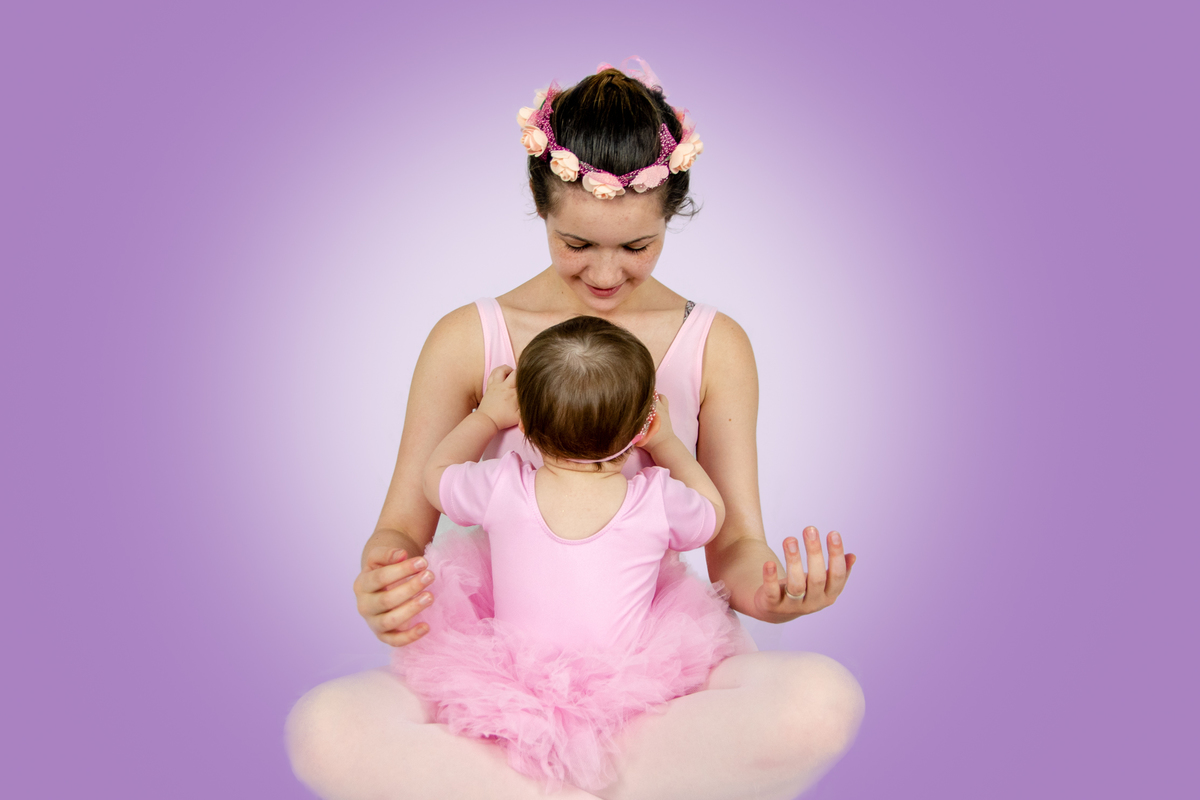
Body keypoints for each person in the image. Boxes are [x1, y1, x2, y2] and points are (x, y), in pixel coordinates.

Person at [286, 61, 864, 800]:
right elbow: (403, 526)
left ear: (670, 220)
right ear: (540, 207)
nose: (604, 274)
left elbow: (731, 548)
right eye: (577, 243)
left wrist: (775, 593)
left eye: (638, 247)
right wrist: (384, 583)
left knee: (820, 702)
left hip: (655, 678)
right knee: (326, 728)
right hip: (498, 678)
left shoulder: (714, 343)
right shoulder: (470, 338)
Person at [399, 315, 753, 791]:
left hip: (513, 687)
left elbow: (434, 476)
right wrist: (666, 441)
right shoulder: (654, 500)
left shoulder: (502, 485)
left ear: (523, 419)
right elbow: (712, 513)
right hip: (626, 688)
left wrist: (487, 416)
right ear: (640, 427)